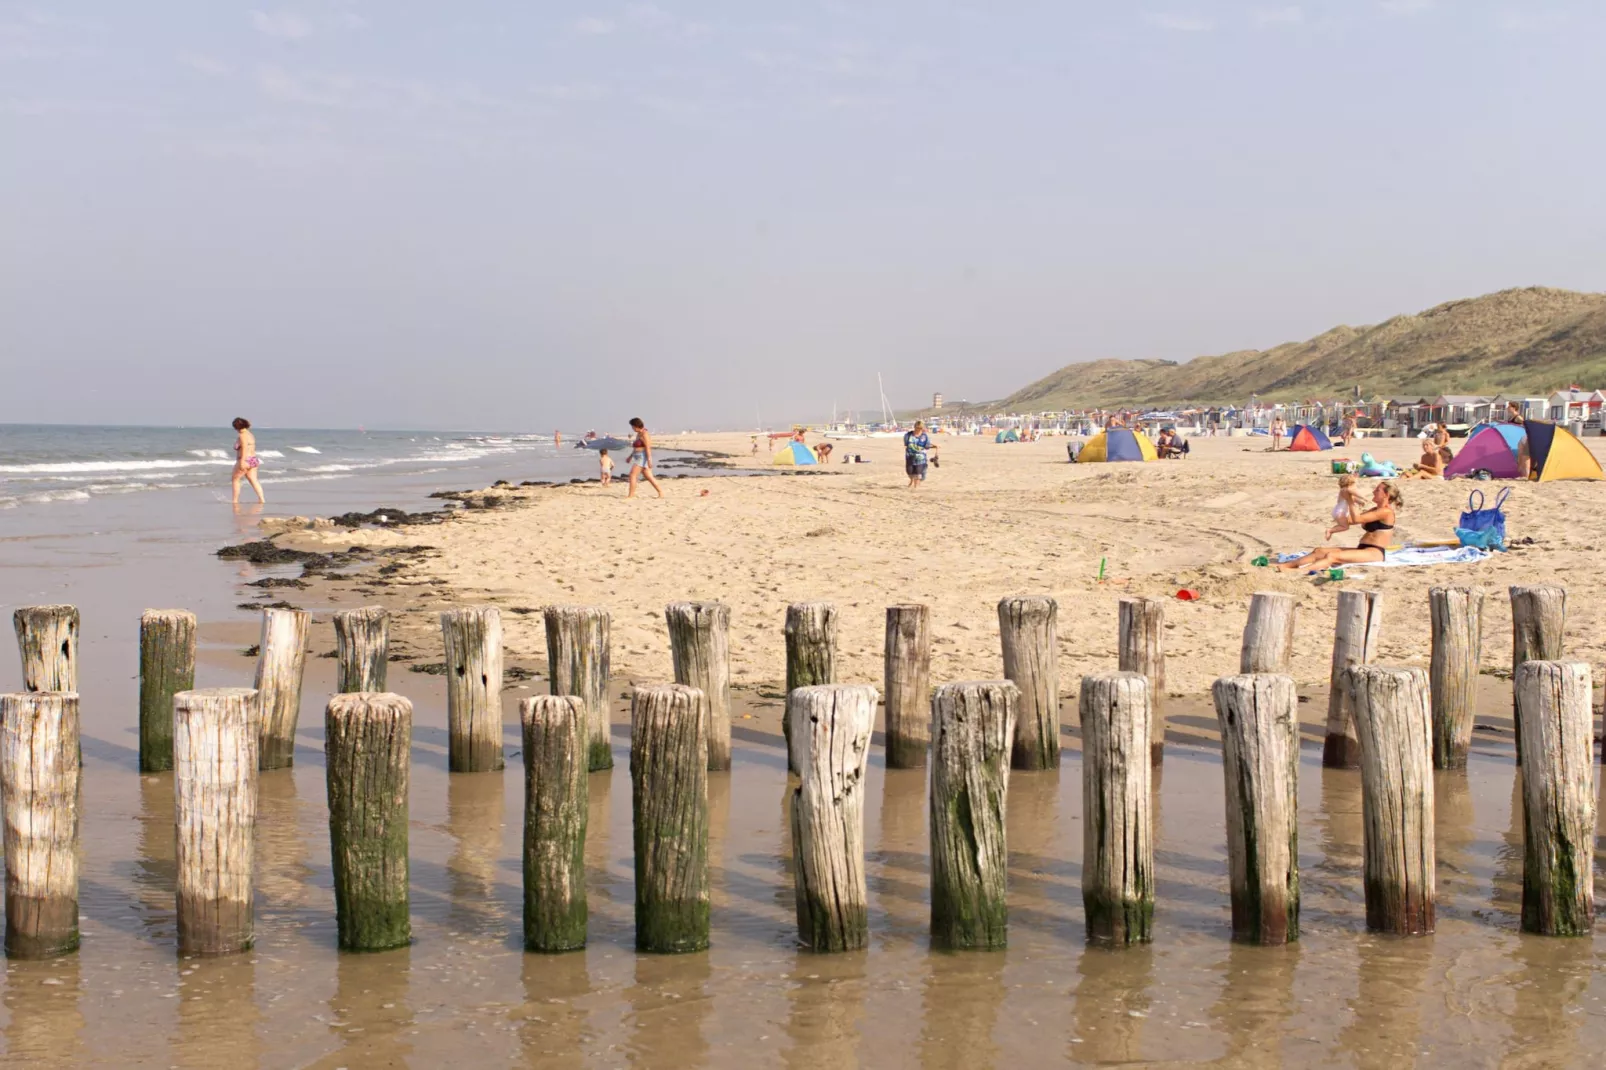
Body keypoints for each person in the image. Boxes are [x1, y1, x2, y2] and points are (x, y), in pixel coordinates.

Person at [1277, 481, 1402, 570]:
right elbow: (1350, 520)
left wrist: (1350, 500)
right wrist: (1340, 508)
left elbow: (1357, 518)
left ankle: (1300, 572)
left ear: (1386, 495)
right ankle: (1289, 565)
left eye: (1377, 490)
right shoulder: (1374, 510)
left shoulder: (1386, 512)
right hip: (1362, 548)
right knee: (1319, 551)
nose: (1373, 491)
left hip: (1374, 553)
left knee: (1332, 556)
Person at [625, 417, 664, 498]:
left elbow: (648, 447)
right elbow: (635, 448)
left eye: (632, 426)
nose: (632, 428)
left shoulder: (645, 434)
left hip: (642, 457)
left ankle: (631, 495)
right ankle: (661, 492)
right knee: (649, 477)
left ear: (636, 425)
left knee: (632, 475)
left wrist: (649, 460)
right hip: (637, 456)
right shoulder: (639, 434)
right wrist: (630, 456)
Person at [231, 417, 265, 505]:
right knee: (254, 480)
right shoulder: (250, 434)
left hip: (245, 459)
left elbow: (245, 448)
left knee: (235, 479)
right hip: (253, 459)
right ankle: (262, 498)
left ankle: (235, 501)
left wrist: (242, 461)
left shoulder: (242, 436)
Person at [1326, 474, 1364, 539]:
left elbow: (1354, 498)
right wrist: (1363, 497)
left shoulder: (1346, 492)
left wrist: (1361, 502)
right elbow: (1352, 491)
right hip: (1340, 512)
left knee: (1350, 522)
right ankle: (1330, 530)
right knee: (1345, 526)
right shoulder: (1344, 490)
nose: (1355, 487)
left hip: (1342, 512)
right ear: (1350, 484)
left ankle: (1331, 530)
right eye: (1354, 485)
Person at [904, 419, 936, 489]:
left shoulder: (925, 436)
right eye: (917, 428)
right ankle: (912, 481)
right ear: (914, 427)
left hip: (920, 457)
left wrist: (934, 446)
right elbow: (906, 444)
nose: (919, 429)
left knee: (918, 473)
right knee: (910, 472)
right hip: (910, 456)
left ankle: (916, 487)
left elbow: (927, 446)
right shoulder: (908, 435)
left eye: (921, 428)